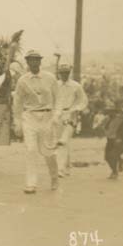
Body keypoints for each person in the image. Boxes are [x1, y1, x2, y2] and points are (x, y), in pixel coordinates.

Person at [12, 50, 60, 194]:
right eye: (30, 60)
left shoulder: (50, 78)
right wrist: (17, 122)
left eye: (36, 60)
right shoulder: (23, 80)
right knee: (31, 149)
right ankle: (31, 183)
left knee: (48, 152)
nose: (34, 62)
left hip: (47, 116)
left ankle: (54, 178)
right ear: (27, 62)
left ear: (40, 61)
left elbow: (58, 99)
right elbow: (17, 102)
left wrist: (56, 115)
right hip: (30, 117)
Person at [54, 63, 88, 177]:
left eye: (66, 73)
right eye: (62, 73)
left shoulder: (76, 86)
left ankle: (60, 169)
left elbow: (83, 101)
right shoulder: (55, 85)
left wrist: (76, 109)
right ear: (59, 73)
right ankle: (66, 167)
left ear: (69, 73)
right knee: (61, 142)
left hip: (70, 115)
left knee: (63, 141)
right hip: (57, 115)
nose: (64, 75)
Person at [102, 99, 123, 180]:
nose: (110, 113)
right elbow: (102, 127)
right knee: (106, 157)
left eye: (112, 111)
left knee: (113, 156)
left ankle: (115, 172)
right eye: (109, 111)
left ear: (115, 111)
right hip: (109, 140)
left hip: (116, 140)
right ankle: (118, 164)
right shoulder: (106, 119)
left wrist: (120, 108)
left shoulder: (119, 118)